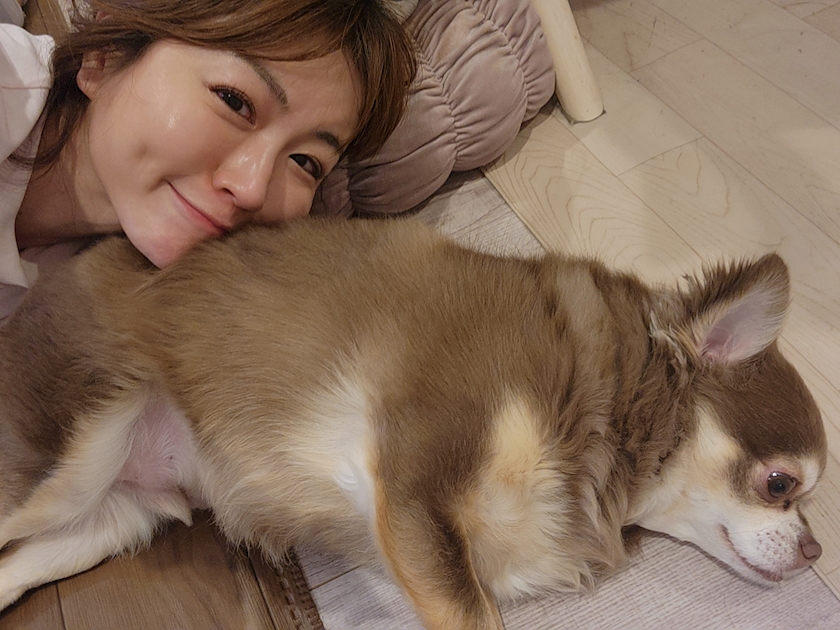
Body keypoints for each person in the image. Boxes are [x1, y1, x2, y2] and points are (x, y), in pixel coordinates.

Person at [1, 0, 416, 318]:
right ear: (103, 57)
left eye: (305, 162)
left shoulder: (105, 298)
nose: (252, 189)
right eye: (234, 101)